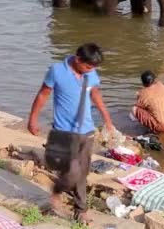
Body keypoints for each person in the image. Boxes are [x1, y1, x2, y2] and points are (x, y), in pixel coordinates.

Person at [27, 43, 115, 225]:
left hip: (87, 130)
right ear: (78, 59)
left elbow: (95, 93)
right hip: (63, 131)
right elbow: (43, 94)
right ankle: (57, 191)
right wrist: (32, 120)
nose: (91, 71)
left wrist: (107, 118)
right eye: (88, 67)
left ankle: (81, 210)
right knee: (73, 172)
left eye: (94, 68)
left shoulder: (90, 73)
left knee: (82, 173)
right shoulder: (57, 71)